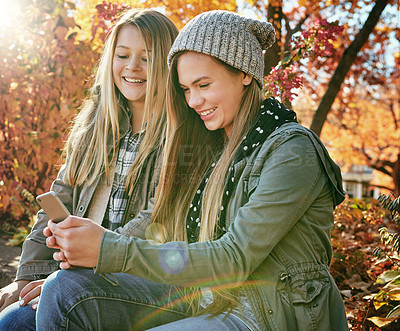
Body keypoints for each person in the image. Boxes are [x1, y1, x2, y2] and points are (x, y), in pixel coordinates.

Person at [35, 10, 348, 330]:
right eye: (185, 89)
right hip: (202, 299)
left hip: (265, 313)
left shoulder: (292, 151)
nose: (194, 100)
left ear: (245, 74)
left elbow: (234, 259)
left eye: (203, 84)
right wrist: (80, 258)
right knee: (50, 299)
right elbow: (158, 215)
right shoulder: (211, 148)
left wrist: (109, 249)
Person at [0, 8, 178, 330]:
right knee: (12, 321)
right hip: (77, 275)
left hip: (139, 279)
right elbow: (57, 201)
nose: (132, 67)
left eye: (147, 58)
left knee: (63, 294)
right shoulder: (97, 127)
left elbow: (155, 220)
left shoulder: (179, 135)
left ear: (168, 63)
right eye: (123, 55)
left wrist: (67, 279)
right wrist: (25, 278)